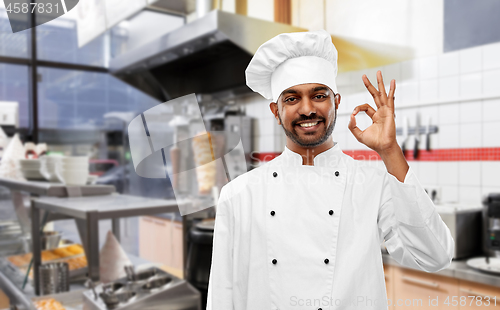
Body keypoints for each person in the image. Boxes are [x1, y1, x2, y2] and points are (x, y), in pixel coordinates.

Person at [206, 30, 454, 310]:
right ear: (275, 111)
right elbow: (221, 296)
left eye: (319, 95)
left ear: (336, 102)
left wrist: (390, 151)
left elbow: (437, 257)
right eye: (292, 99)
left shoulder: (372, 184)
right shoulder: (239, 195)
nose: (307, 109)